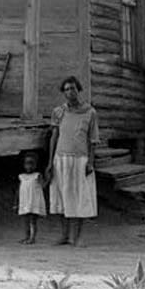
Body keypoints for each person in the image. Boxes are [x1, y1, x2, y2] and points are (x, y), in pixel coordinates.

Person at [45, 75, 98, 246]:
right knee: (61, 197)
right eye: (67, 89)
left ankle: (77, 236)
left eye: (73, 88)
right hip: (61, 159)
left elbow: (93, 140)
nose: (70, 92)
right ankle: (64, 235)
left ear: (79, 90)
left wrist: (90, 162)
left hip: (80, 160)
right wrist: (50, 162)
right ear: (63, 92)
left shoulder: (90, 112)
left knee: (79, 198)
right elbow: (54, 137)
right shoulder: (58, 112)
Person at [17, 150, 45, 244]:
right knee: (25, 221)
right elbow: (18, 190)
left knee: (33, 221)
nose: (29, 166)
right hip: (25, 202)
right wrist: (16, 202)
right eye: (27, 163)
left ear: (36, 165)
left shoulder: (37, 175)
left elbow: (43, 185)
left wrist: (48, 177)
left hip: (33, 202)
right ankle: (26, 236)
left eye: (31, 163)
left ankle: (32, 238)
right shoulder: (21, 176)